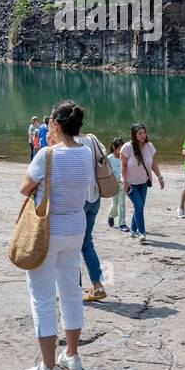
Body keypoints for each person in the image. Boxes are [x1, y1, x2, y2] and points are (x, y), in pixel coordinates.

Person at [19, 100, 96, 370]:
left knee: (41, 296)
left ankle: (48, 368)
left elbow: (25, 187)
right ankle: (72, 356)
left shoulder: (46, 155)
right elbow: (87, 192)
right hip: (76, 228)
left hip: (47, 231)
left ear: (55, 125)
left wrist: (49, 146)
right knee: (71, 291)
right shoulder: (86, 153)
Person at [75, 125, 111, 303]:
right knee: (87, 243)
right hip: (95, 197)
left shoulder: (68, 143)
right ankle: (98, 286)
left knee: (72, 246)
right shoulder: (92, 138)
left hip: (78, 201)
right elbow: (103, 154)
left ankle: (75, 289)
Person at [120, 122, 165, 244]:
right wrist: (124, 181)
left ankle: (133, 229)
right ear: (134, 135)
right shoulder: (127, 148)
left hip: (144, 183)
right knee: (139, 207)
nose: (142, 135)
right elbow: (123, 165)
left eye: (144, 133)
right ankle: (142, 233)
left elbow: (153, 163)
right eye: (139, 133)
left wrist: (160, 177)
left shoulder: (149, 146)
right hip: (130, 183)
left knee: (138, 207)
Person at [106, 137, 126, 227]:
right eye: (120, 148)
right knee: (115, 204)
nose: (122, 150)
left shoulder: (124, 158)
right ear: (114, 147)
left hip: (123, 184)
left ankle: (122, 223)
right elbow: (104, 170)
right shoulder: (109, 158)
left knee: (122, 204)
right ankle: (111, 216)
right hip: (113, 185)